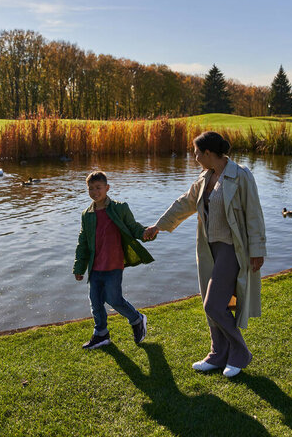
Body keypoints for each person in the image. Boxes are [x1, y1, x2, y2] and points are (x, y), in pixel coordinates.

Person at [144, 131, 266, 378]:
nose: (194, 156)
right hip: (208, 250)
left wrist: (257, 250)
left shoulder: (240, 176)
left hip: (233, 249)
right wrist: (159, 225)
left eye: (197, 151)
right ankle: (217, 354)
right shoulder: (204, 178)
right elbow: (184, 203)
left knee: (214, 304)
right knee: (210, 304)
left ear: (209, 153)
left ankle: (240, 353)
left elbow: (254, 214)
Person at [73, 171, 154, 350]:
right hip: (95, 266)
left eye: (98, 188)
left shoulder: (119, 208)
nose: (95, 192)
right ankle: (101, 334)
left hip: (113, 265)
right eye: (91, 188)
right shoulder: (87, 215)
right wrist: (79, 267)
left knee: (114, 299)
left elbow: (133, 227)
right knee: (95, 302)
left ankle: (137, 319)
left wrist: (145, 234)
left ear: (107, 188)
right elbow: (83, 243)